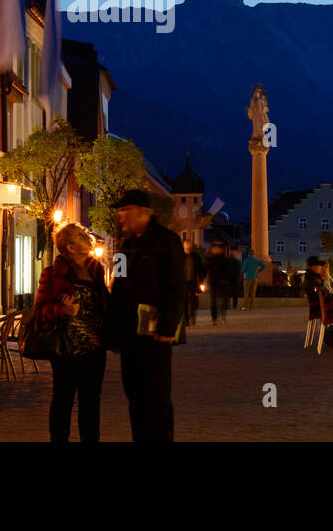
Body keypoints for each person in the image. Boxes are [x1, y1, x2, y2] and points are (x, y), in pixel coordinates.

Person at [107, 189, 185, 443]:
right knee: (135, 396)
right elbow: (118, 289)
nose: (120, 218)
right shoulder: (125, 246)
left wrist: (167, 327)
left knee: (157, 397)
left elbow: (176, 286)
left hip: (155, 334)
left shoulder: (166, 241)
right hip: (130, 335)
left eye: (124, 211)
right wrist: (115, 335)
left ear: (142, 213)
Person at [33, 222, 109, 442]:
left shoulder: (96, 270)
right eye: (80, 235)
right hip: (65, 348)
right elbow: (39, 311)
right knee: (63, 401)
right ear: (71, 247)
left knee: (91, 402)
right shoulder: (52, 274)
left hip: (94, 348)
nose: (87, 236)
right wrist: (62, 310)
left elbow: (103, 306)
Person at [205, 243, 234, 325]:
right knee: (213, 301)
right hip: (213, 282)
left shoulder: (224, 259)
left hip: (222, 282)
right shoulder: (210, 259)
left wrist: (227, 280)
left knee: (223, 301)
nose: (217, 250)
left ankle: (222, 316)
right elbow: (205, 269)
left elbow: (228, 271)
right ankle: (214, 319)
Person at [182, 240, 204, 326]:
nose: (188, 245)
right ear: (183, 245)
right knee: (184, 301)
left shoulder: (196, 256)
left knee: (192, 300)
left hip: (192, 281)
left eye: (189, 244)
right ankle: (186, 319)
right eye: (186, 244)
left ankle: (192, 317)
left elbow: (200, 269)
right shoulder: (180, 256)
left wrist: (201, 280)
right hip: (183, 282)